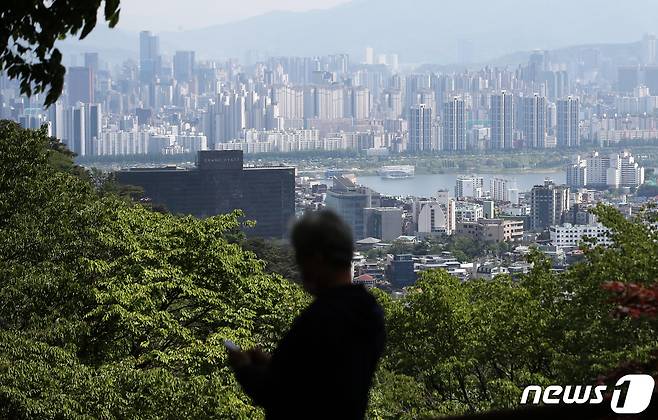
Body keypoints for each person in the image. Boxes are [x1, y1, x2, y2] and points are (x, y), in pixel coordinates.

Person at [228, 210, 386, 419]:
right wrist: (273, 366)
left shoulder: (321, 318)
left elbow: (279, 395)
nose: (300, 268)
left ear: (317, 259)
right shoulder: (369, 311)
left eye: (301, 258)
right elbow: (320, 381)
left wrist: (244, 368)